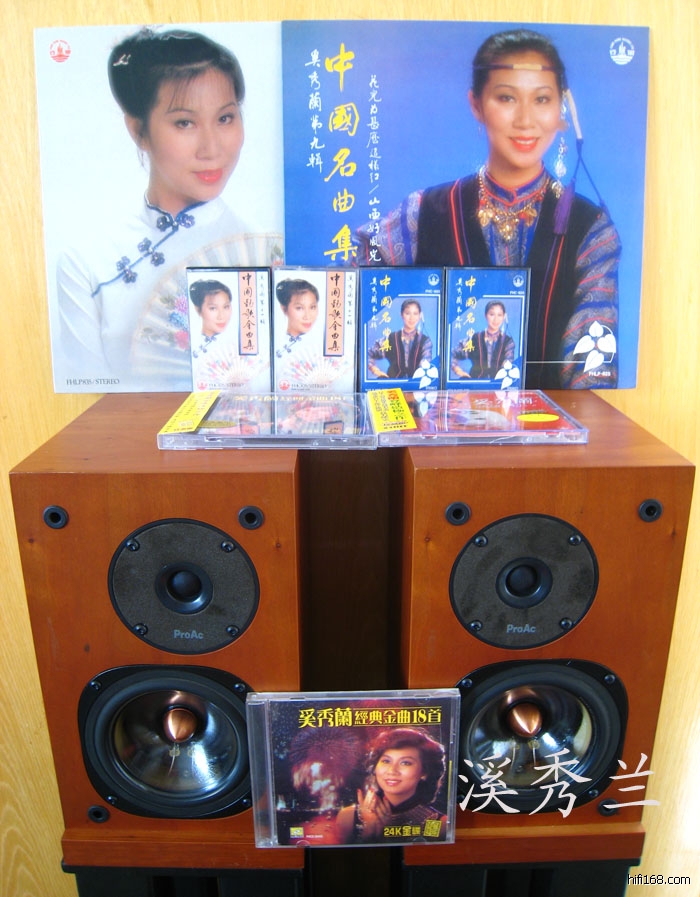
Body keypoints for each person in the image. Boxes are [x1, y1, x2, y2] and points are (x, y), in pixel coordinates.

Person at [355, 29, 620, 389]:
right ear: (476, 104)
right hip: (438, 422)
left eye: (542, 99)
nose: (525, 120)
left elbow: (591, 371)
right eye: (506, 97)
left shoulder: (590, 230)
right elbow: (354, 293)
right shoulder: (425, 212)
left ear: (561, 108)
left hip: (548, 423)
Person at [56, 27, 283, 390]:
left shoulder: (269, 252)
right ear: (138, 130)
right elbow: (86, 399)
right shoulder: (87, 263)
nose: (211, 148)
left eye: (225, 118)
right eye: (184, 123)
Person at [335, 728, 448, 844]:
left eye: (405, 763)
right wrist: (369, 830)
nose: (392, 771)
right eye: (386, 761)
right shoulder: (348, 817)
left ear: (424, 772)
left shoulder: (437, 823)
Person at [367, 298, 433, 380]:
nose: (411, 318)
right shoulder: (391, 338)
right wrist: (375, 370)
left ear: (420, 316)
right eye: (407, 313)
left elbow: (425, 365)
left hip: (416, 385)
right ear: (401, 315)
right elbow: (366, 354)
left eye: (415, 313)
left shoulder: (425, 341)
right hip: (392, 384)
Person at [451, 299, 515, 379]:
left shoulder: (508, 342)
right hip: (475, 383)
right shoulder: (474, 339)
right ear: (486, 315)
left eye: (499, 315)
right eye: (492, 314)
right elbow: (451, 354)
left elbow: (508, 364)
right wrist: (458, 370)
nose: (496, 319)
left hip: (498, 384)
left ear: (504, 317)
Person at [274, 278, 320, 356]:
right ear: (284, 309)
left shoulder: (319, 345)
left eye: (312, 307)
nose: (307, 316)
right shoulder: (277, 345)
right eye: (299, 308)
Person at [189, 278, 233, 357]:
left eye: (226, 307)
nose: (221, 316)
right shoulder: (194, 344)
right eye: (213, 308)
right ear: (198, 309)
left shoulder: (232, 344)